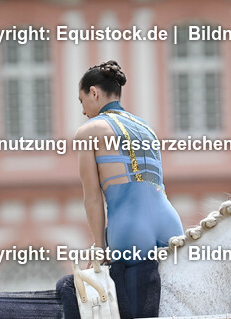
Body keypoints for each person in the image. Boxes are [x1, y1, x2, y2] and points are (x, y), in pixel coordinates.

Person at [75, 60, 184, 263]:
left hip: (130, 229)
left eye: (82, 101)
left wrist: (99, 247)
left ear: (94, 93)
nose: (83, 111)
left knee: (123, 294)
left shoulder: (89, 131)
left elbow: (92, 197)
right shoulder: (146, 128)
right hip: (171, 225)